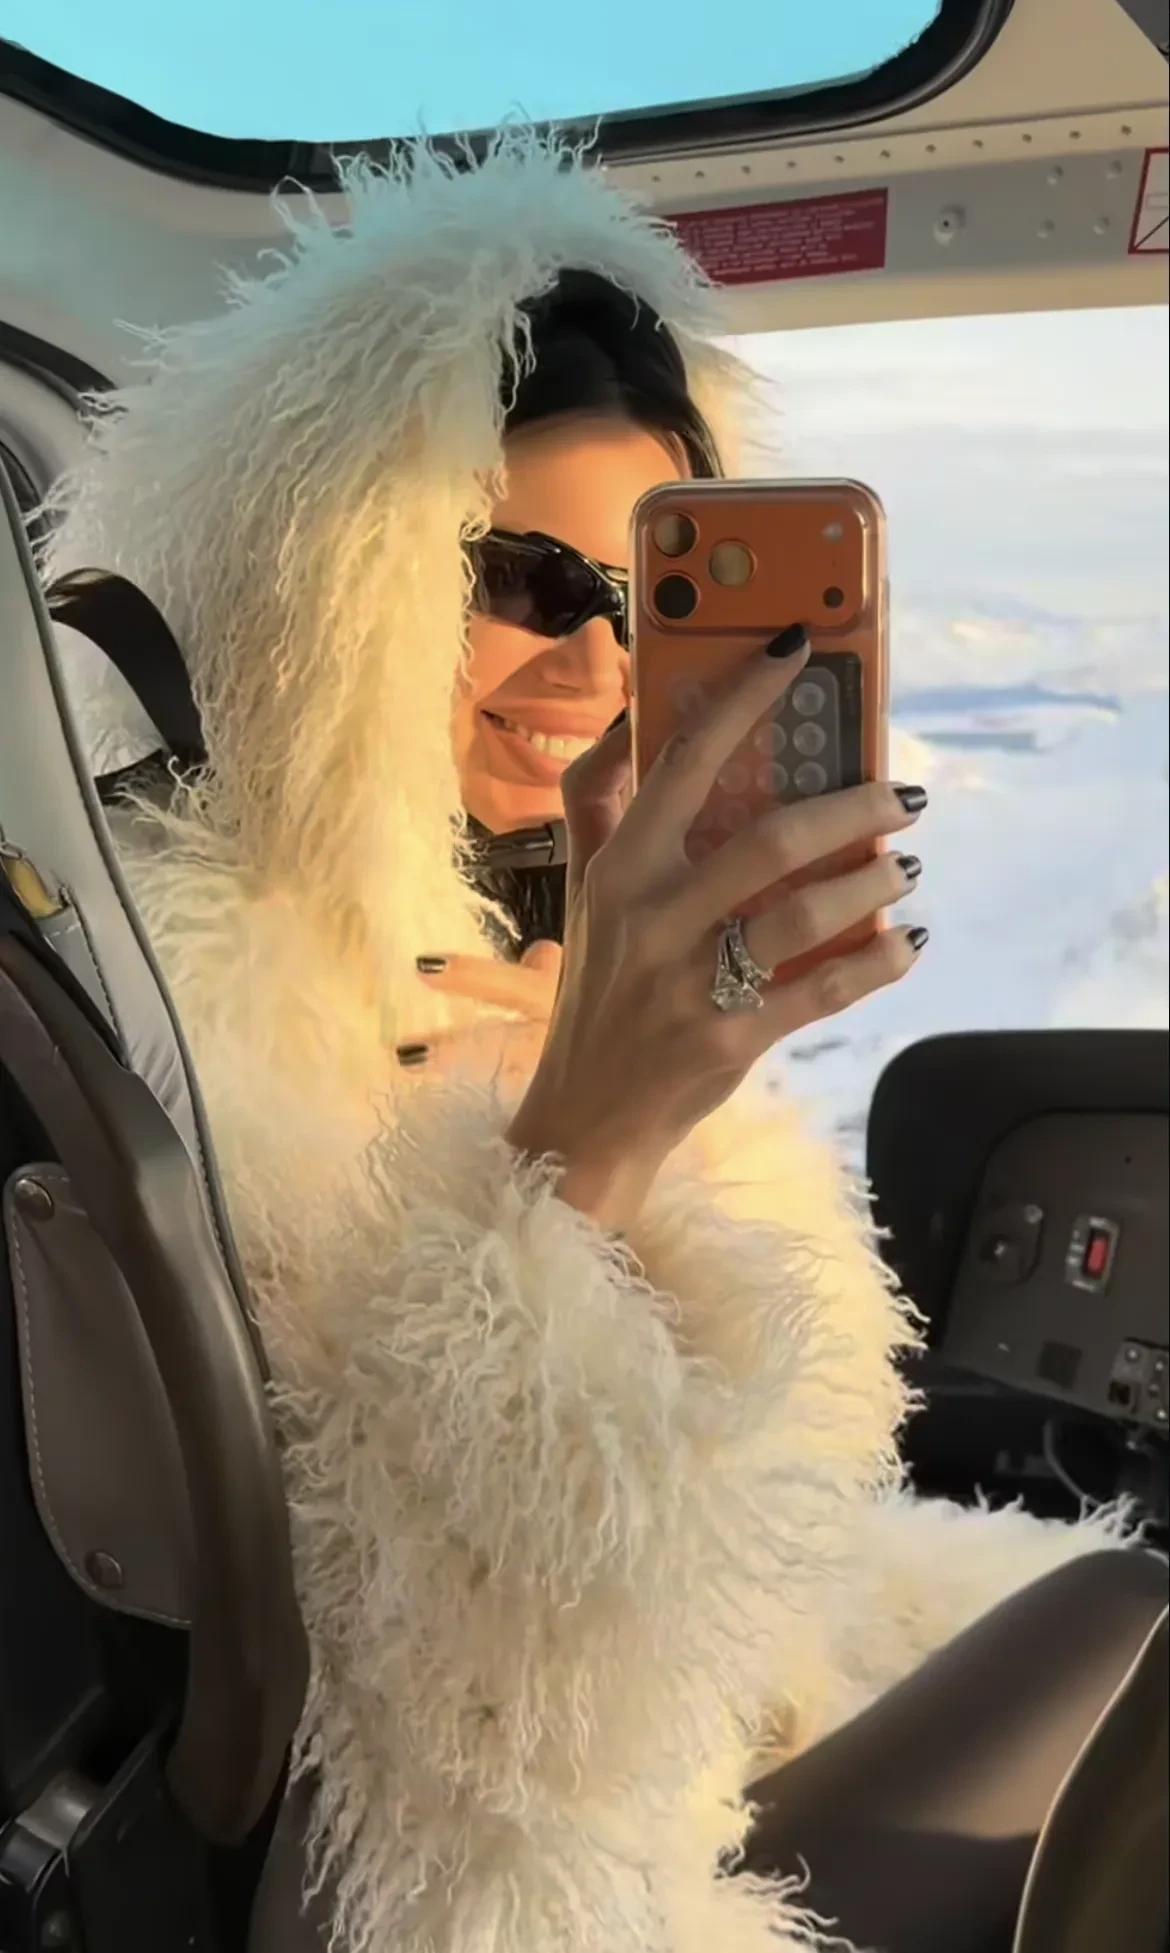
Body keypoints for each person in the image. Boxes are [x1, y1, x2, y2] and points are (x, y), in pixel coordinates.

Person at [44, 133, 1165, 1953]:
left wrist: (644, 1105)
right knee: (1131, 1626)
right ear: (325, 584)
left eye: (644, 598)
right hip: (530, 1869)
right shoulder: (205, 1035)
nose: (590, 661)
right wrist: (588, 1145)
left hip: (710, 1707)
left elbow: (787, 1490)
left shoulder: (495, 962)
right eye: (517, 577)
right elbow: (460, 1704)